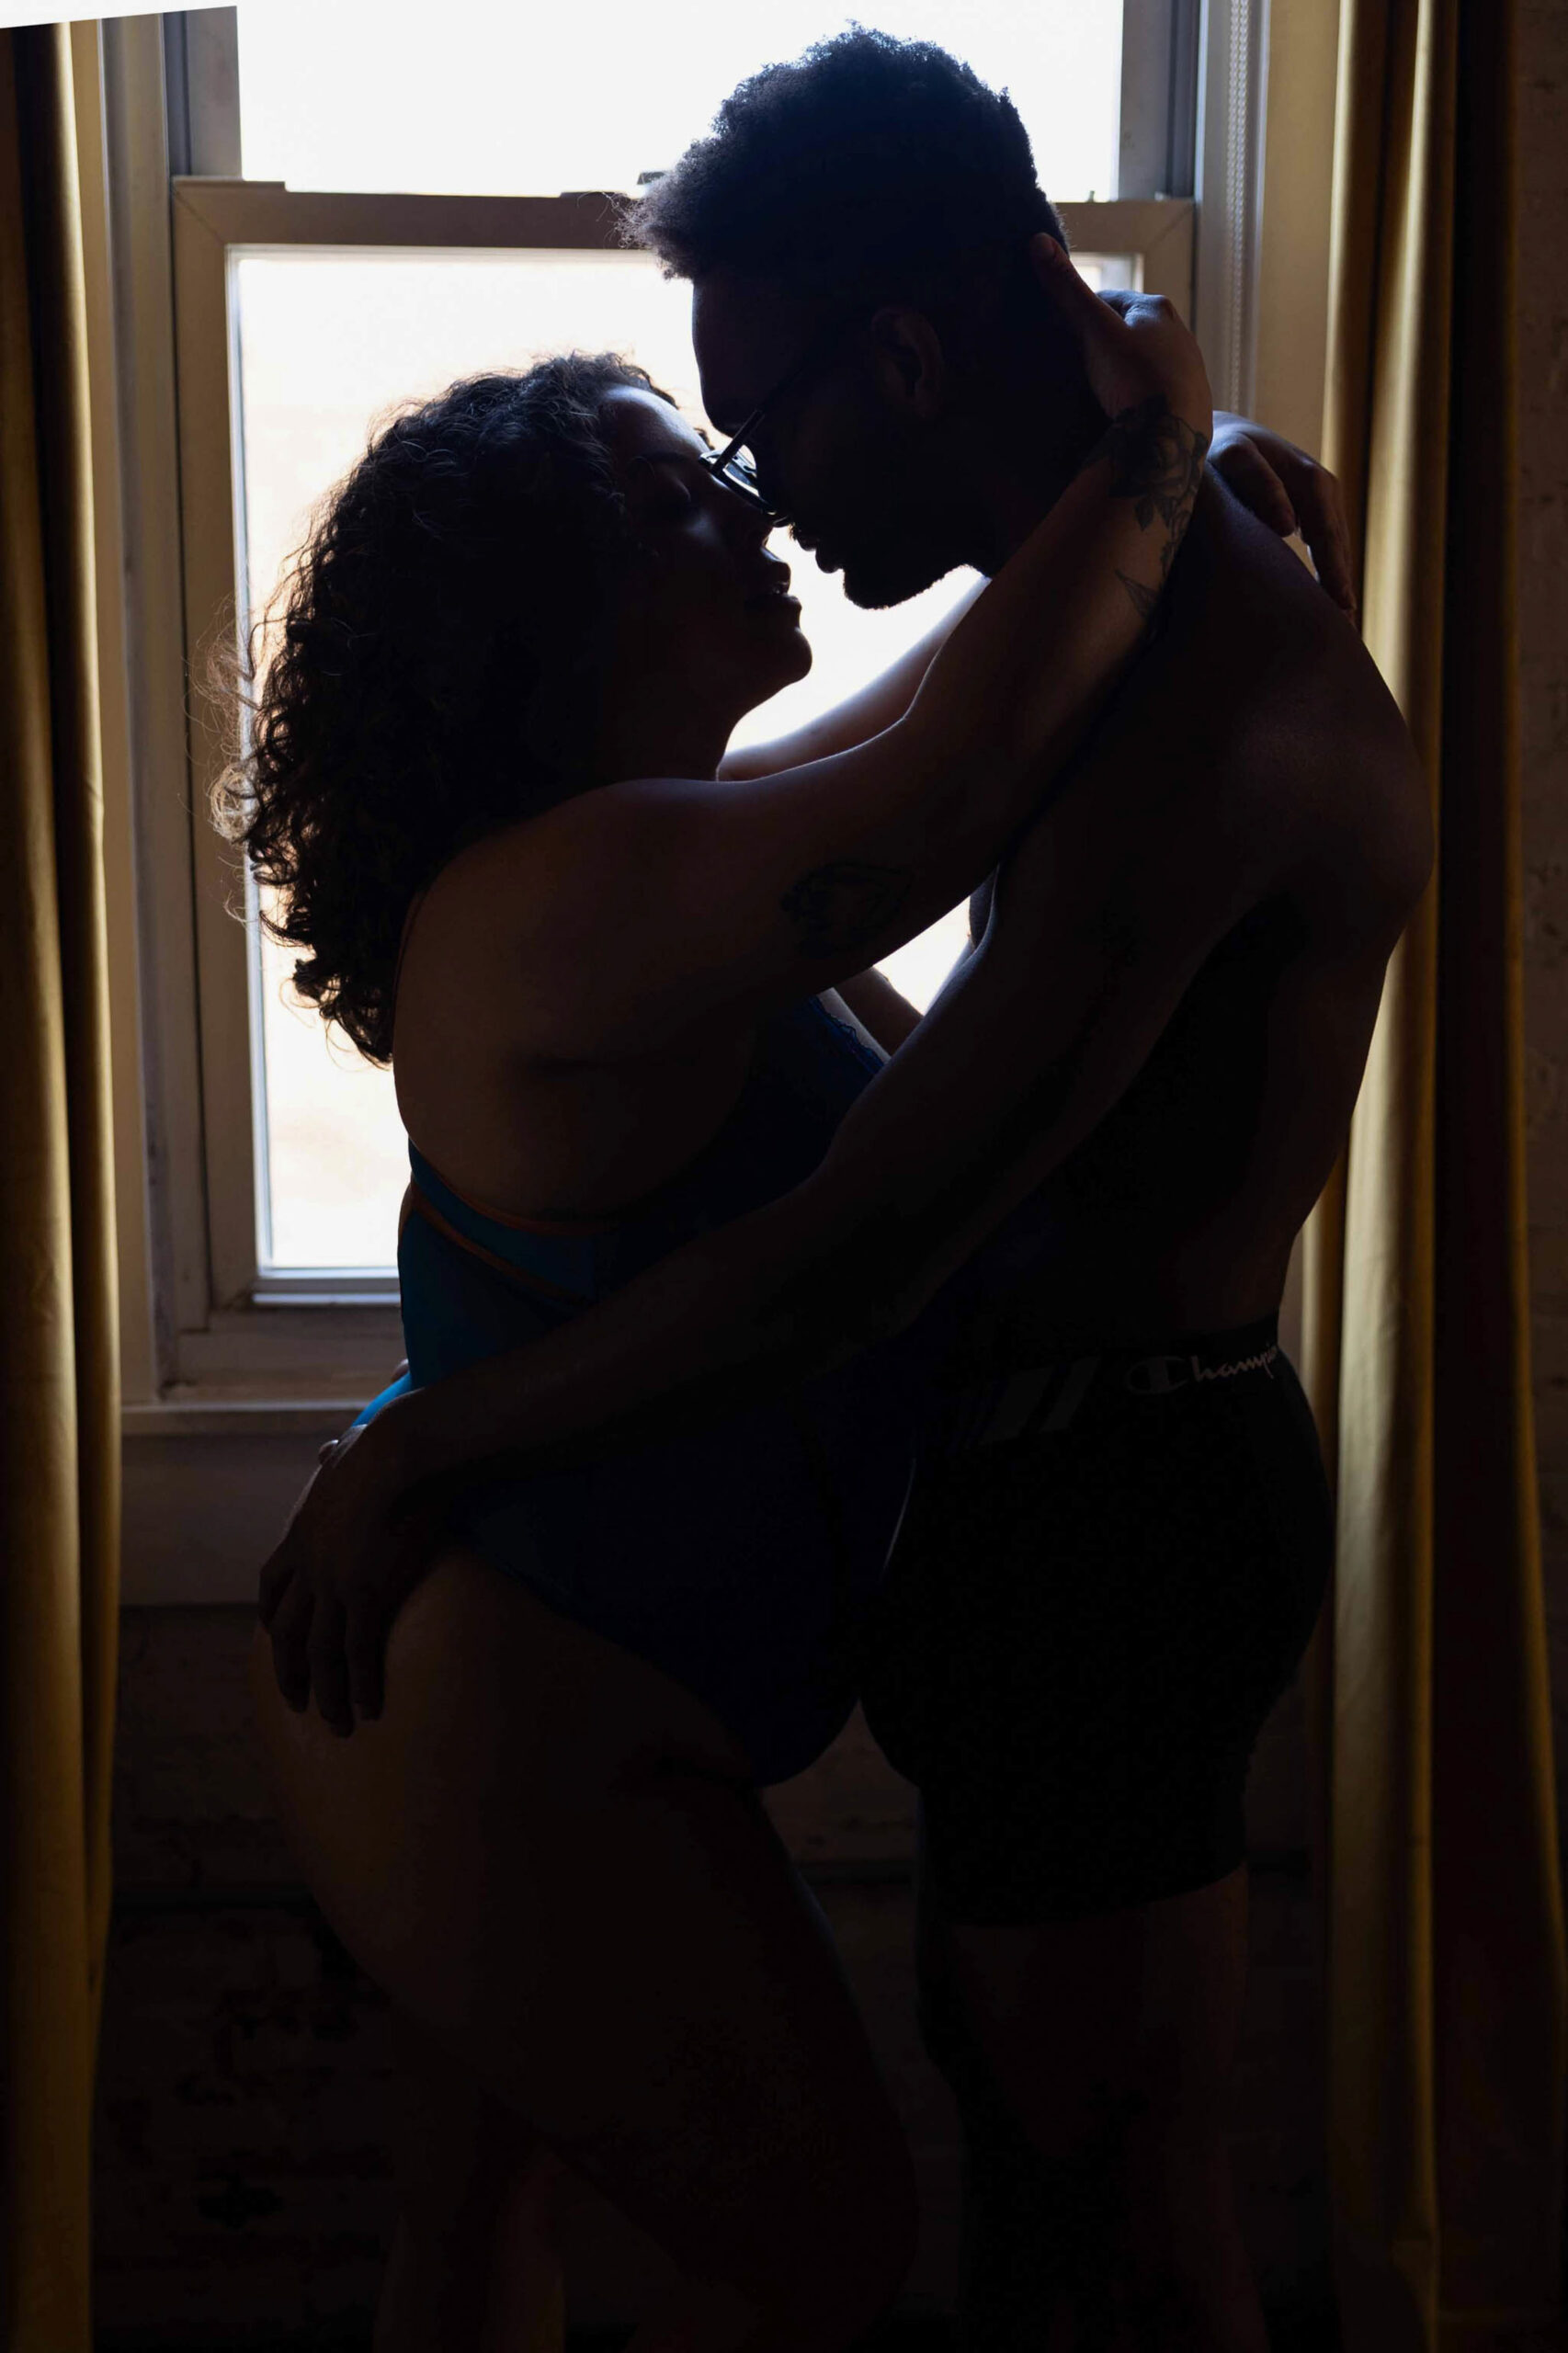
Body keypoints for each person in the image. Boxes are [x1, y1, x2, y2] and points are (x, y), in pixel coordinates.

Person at [259, 32, 1430, 2353]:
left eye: (749, 424)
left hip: (1106, 1508)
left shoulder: (1176, 693)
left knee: (1071, 2194)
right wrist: (1161, 440)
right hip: (647, 1657)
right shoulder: (625, 873)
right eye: (692, 475)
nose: (764, 497)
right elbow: (923, 782)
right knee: (997, 2197)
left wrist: (1172, 451)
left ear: (895, 354)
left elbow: (876, 1221)